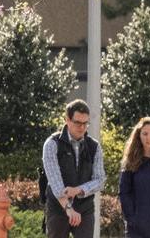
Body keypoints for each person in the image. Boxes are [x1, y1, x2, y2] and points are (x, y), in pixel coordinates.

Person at [40, 100, 105, 238]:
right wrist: (68, 208)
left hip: (85, 209)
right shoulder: (52, 144)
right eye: (77, 123)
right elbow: (56, 182)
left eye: (85, 123)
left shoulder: (94, 147)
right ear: (67, 120)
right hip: (57, 207)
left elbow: (100, 180)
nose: (82, 127)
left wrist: (78, 190)